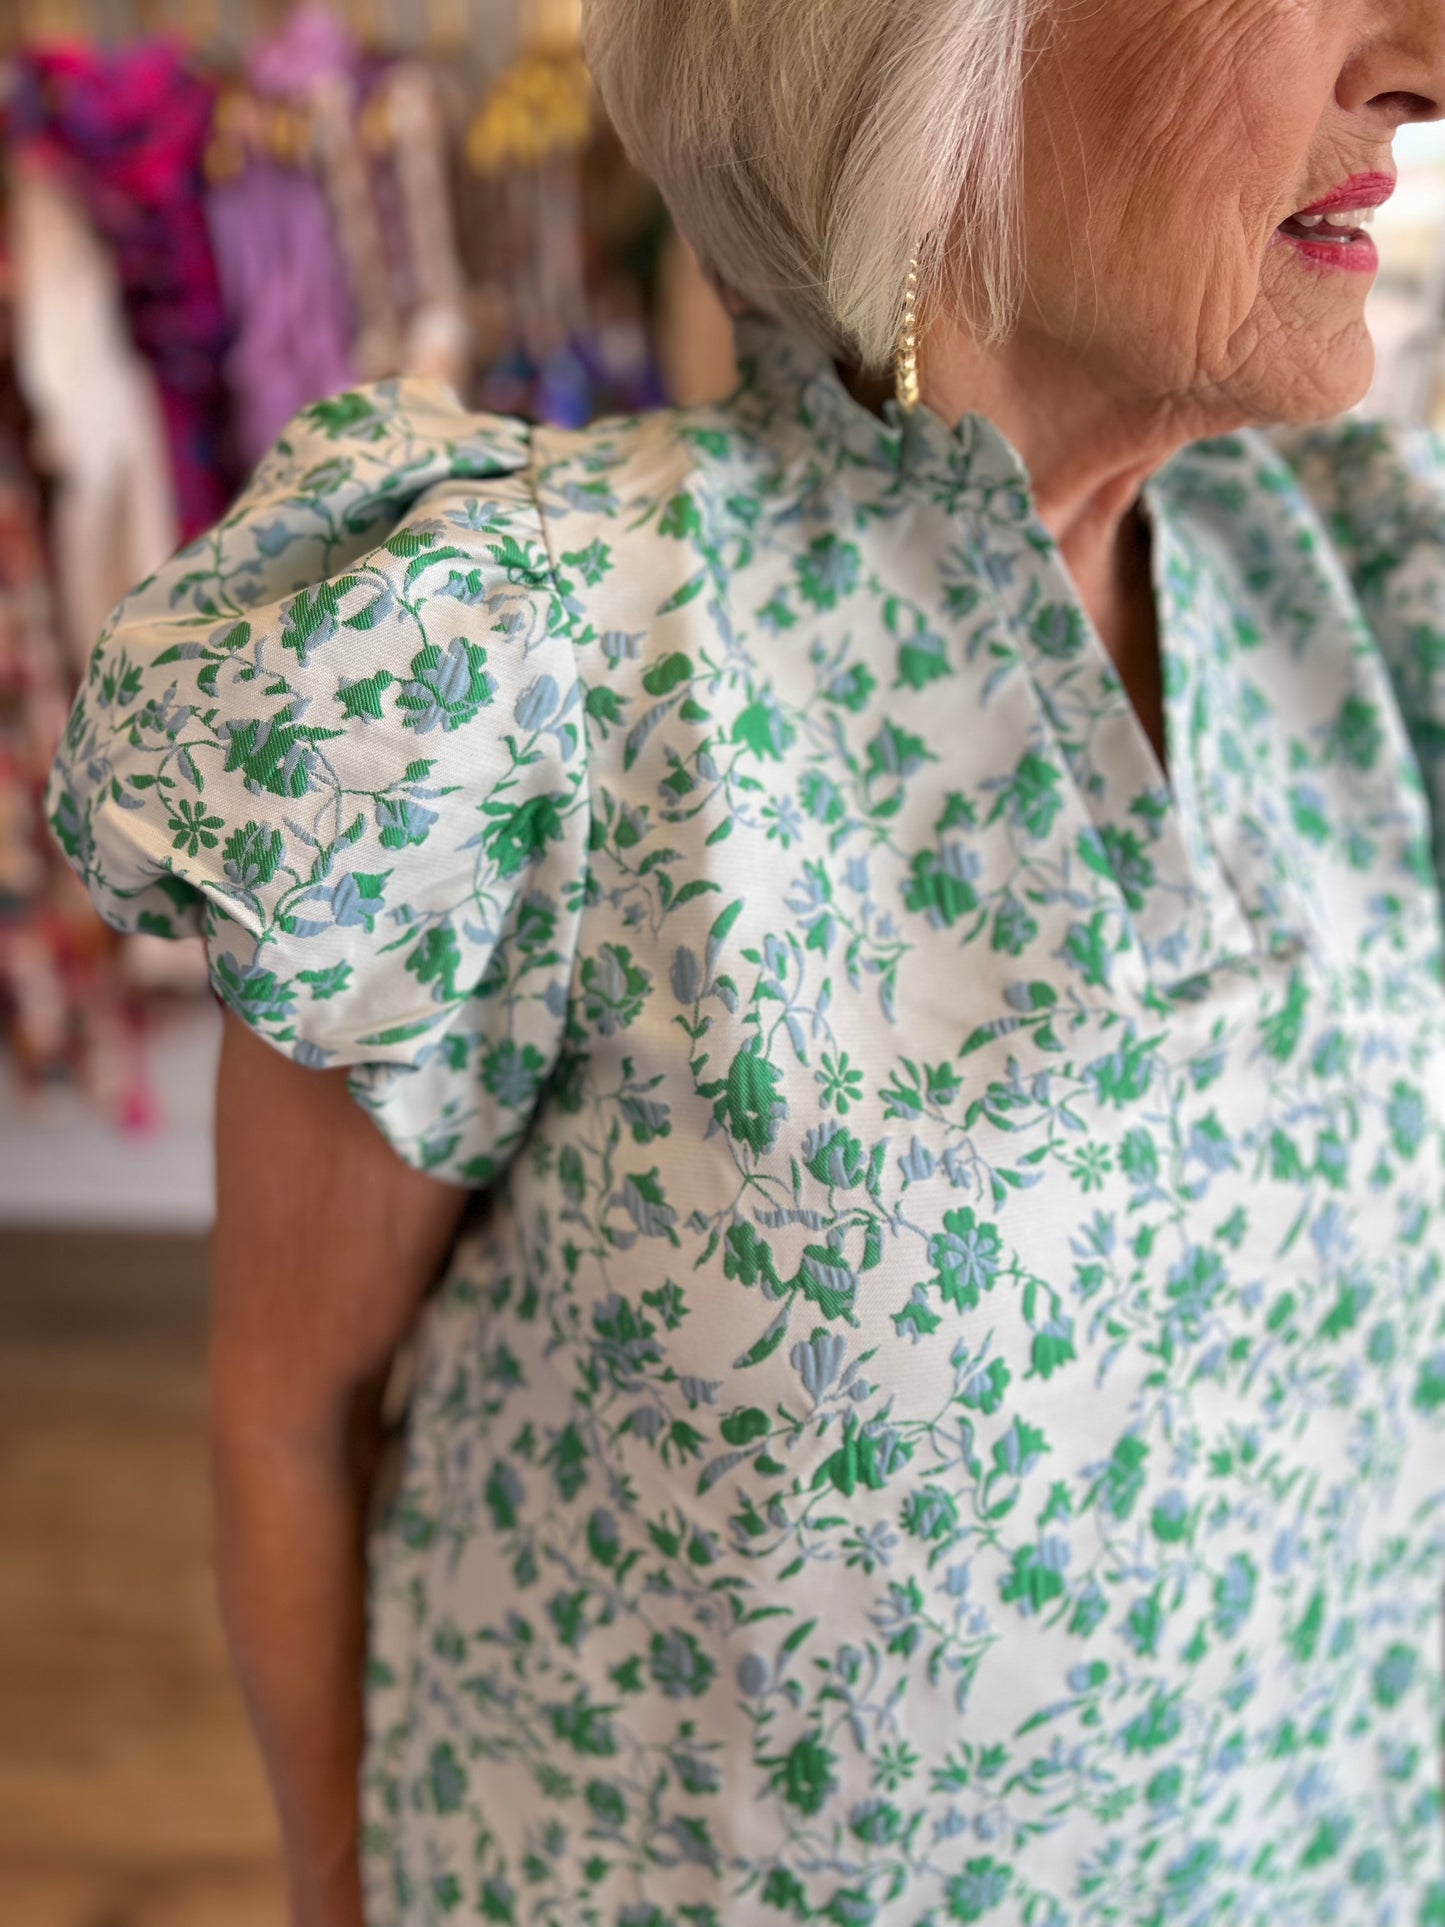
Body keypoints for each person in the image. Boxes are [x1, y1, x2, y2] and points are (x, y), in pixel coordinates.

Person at [46, 1, 1445, 1921]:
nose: (1423, 56)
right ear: (926, 53)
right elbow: (291, 1416)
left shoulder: (1350, 587)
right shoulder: (532, 666)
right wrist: (341, 1883)